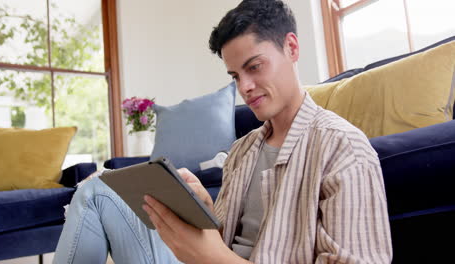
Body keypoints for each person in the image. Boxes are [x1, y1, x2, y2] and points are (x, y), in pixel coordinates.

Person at [53, 0, 392, 263]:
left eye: (254, 67)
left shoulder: (344, 149)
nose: (244, 87)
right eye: (234, 76)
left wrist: (211, 258)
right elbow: (227, 236)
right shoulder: (243, 150)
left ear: (291, 48)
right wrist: (204, 206)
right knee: (96, 190)